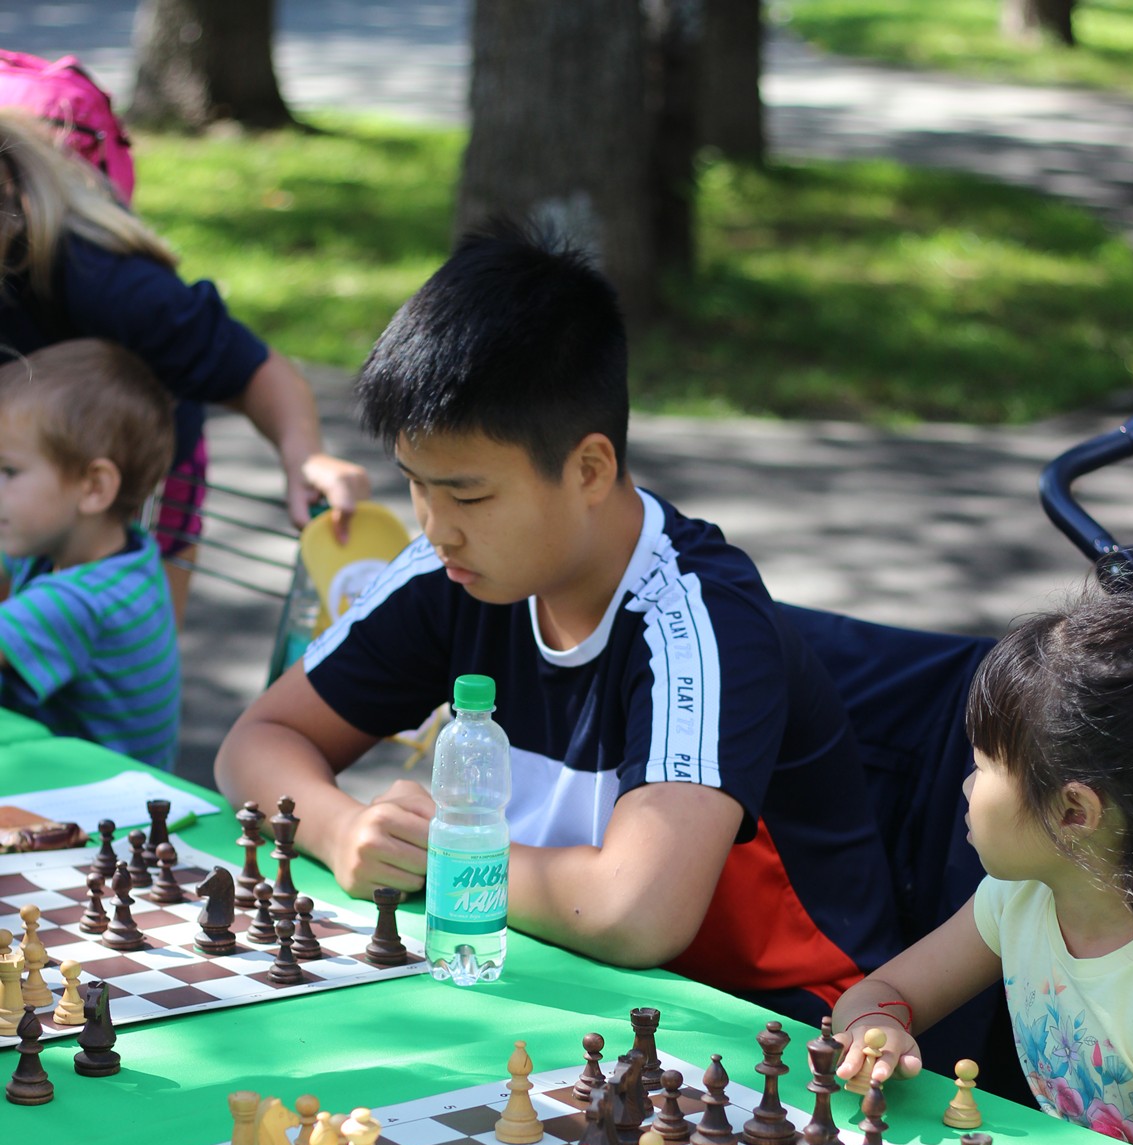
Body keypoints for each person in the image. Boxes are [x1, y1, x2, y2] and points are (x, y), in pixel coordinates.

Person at [216, 222, 901, 1018]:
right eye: (416, 485)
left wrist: (446, 858)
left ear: (589, 469)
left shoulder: (700, 618)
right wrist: (342, 834)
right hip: (550, 978)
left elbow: (635, 909)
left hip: (772, 1031)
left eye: (468, 496)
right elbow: (257, 743)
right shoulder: (451, 571)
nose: (436, 525)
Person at [0, 107, 370, 622]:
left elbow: (251, 368)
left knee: (123, 651)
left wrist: (304, 453)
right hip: (20, 452)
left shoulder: (110, 285)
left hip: (142, 473)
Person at [832, 589, 1133, 1141]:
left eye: (983, 764)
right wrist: (875, 1027)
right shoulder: (1016, 897)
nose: (966, 785)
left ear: (1073, 811)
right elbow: (884, 991)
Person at [0, 338, 180, 768]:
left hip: (107, 815)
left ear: (94, 487)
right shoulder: (121, 552)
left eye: (8, 471)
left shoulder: (77, 602)